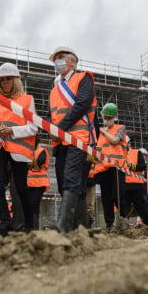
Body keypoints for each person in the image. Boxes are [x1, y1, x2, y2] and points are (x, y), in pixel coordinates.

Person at [48, 46, 97, 232]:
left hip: (79, 138)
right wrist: (50, 129)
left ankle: (64, 225)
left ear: (72, 61)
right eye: (55, 59)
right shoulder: (54, 90)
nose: (57, 61)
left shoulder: (83, 78)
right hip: (60, 143)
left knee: (71, 179)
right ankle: (82, 227)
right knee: (64, 183)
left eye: (61, 57)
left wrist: (59, 128)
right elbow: (49, 114)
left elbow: (83, 103)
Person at [0, 62, 38, 238]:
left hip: (17, 149)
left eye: (8, 79)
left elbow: (33, 128)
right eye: (2, 80)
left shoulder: (27, 100)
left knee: (21, 188)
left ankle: (29, 225)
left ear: (16, 80)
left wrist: (13, 131)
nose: (5, 82)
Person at [94, 103, 127, 232]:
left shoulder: (121, 128)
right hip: (103, 169)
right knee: (106, 198)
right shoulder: (100, 133)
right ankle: (109, 224)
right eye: (105, 117)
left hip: (117, 167)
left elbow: (115, 141)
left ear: (114, 117)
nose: (106, 119)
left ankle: (123, 220)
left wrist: (103, 132)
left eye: (109, 117)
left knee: (117, 195)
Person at [124, 137, 148, 226]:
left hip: (136, 185)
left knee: (140, 205)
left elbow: (142, 166)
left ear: (129, 143)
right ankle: (125, 225)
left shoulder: (136, 152)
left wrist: (131, 166)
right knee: (125, 207)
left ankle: (147, 224)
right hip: (124, 185)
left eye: (125, 143)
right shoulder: (120, 154)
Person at [27, 138, 50, 229]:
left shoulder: (42, 151)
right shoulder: (30, 151)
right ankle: (31, 227)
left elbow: (39, 162)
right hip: (30, 183)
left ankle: (34, 227)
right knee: (31, 205)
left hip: (39, 183)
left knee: (34, 204)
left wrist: (29, 164)